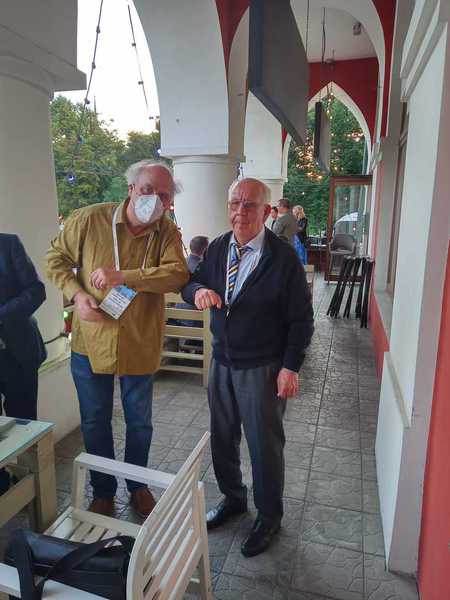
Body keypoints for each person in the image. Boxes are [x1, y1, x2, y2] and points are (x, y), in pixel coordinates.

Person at [46, 160, 190, 518]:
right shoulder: (89, 219)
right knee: (95, 420)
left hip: (140, 340)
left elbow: (177, 275)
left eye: (163, 196)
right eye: (147, 190)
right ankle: (103, 490)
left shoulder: (167, 232)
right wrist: (78, 296)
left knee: (139, 422)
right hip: (91, 340)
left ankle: (137, 485)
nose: (154, 200)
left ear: (169, 202)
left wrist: (124, 276)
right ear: (130, 189)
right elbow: (56, 259)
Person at [182, 178, 314, 557]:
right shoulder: (218, 247)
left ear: (267, 211)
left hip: (263, 366)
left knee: (264, 445)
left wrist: (290, 367)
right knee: (222, 437)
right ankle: (233, 498)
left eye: (250, 205)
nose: (240, 212)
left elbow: (302, 320)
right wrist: (198, 291)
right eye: (234, 203)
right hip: (222, 361)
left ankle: (269, 516)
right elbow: (190, 284)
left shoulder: (282, 258)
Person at [0, 234, 46, 494]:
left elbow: (36, 291)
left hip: (17, 355)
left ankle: (35, 490)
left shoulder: (8, 244)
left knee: (26, 425)